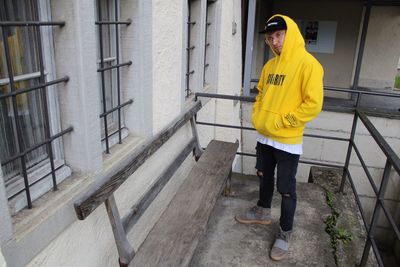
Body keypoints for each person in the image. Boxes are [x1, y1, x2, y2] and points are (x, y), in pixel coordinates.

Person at [235, 14, 324, 261]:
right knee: (263, 175)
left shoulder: (308, 64)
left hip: (287, 140)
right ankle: (262, 211)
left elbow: (313, 105)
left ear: (291, 33)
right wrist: (257, 115)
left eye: (279, 35)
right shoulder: (270, 66)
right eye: (270, 37)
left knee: (286, 189)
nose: (274, 41)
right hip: (265, 136)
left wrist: (283, 121)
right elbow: (261, 93)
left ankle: (284, 233)